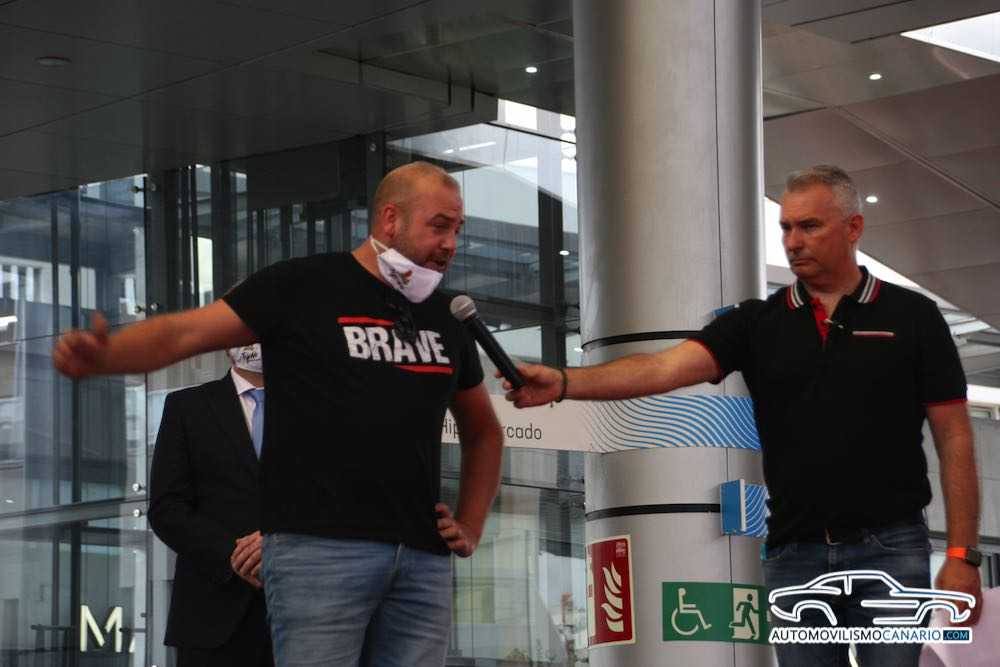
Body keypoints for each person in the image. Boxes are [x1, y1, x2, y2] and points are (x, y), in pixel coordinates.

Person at [504, 165, 982, 665]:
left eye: (810, 226)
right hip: (795, 556)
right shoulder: (758, 322)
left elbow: (955, 438)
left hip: (890, 549)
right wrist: (563, 382)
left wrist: (962, 555)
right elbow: (663, 369)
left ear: (854, 228)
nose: (793, 242)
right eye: (786, 227)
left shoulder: (913, 316)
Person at [53, 161, 504, 667]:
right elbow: (187, 331)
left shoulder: (446, 316)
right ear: (390, 219)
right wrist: (109, 354)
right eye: (439, 226)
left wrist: (470, 524)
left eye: (458, 229)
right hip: (320, 553)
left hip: (421, 559)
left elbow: (484, 432)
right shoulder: (303, 286)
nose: (450, 244)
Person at [148, 344, 272, 667]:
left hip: (305, 610)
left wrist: (280, 541)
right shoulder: (187, 407)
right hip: (211, 613)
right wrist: (236, 555)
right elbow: (166, 507)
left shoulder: (315, 407)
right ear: (226, 344)